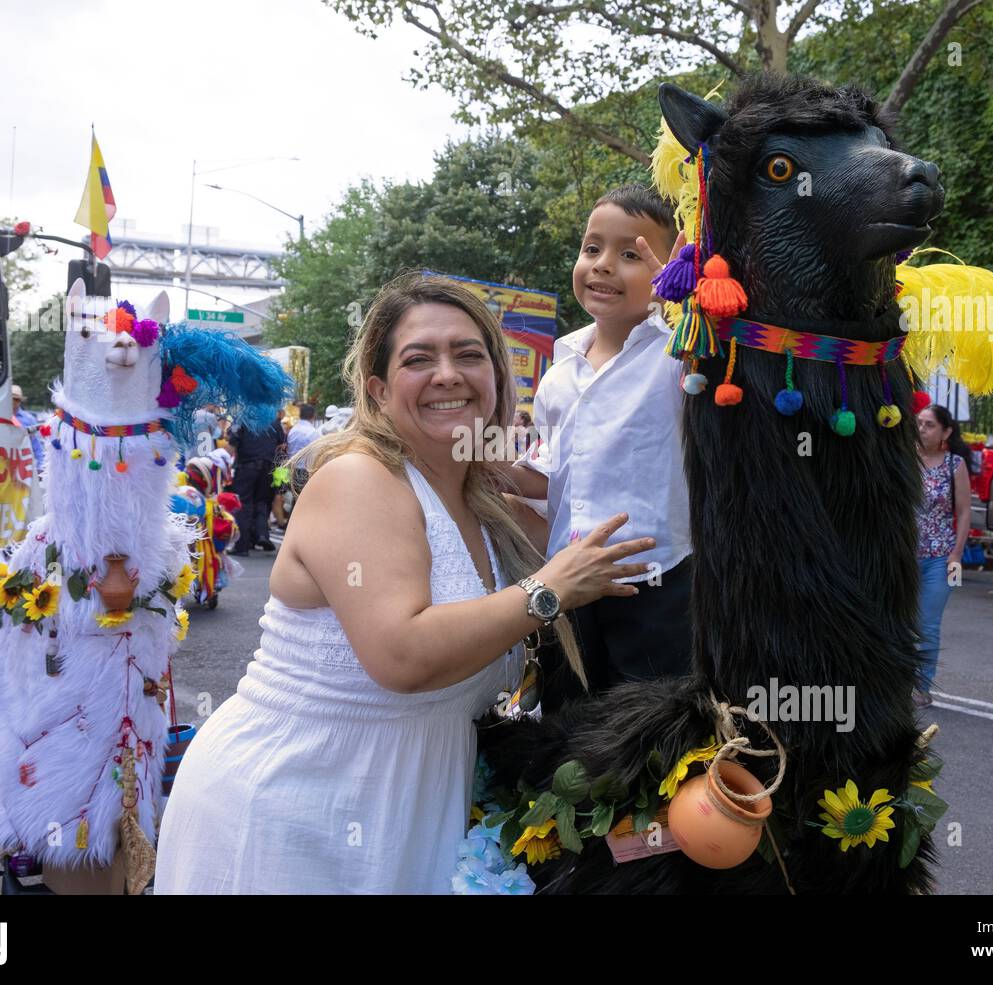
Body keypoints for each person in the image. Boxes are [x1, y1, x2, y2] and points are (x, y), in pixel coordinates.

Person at [154, 274, 650, 893]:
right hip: (296, 812)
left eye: (469, 355)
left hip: (413, 815)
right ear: (379, 389)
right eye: (419, 359)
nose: (448, 374)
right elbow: (402, 654)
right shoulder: (359, 479)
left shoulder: (488, 501)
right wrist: (548, 590)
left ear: (497, 376)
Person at [505, 185, 693, 703]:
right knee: (567, 713)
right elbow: (547, 478)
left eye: (631, 254)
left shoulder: (681, 356)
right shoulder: (558, 373)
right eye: (592, 248)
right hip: (567, 582)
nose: (604, 265)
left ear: (669, 265)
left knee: (651, 721)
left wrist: (688, 298)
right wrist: (480, 464)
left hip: (658, 581)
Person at [913, 404, 972, 707]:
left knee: (927, 624)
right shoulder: (905, 459)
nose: (922, 429)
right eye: (919, 423)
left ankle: (921, 687)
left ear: (946, 432)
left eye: (929, 425)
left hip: (941, 556)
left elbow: (963, 512)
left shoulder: (954, 464)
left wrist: (956, 554)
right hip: (903, 555)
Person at [228, 417, 286, 555]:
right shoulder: (274, 420)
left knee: (244, 504)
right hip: (268, 466)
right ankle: (260, 535)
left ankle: (242, 545)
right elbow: (282, 445)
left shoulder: (243, 418)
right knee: (262, 501)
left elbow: (232, 442)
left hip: (247, 466)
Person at [10, 384, 44, 472]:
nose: (13, 401)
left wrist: (41, 465)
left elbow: (36, 443)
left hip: (23, 461)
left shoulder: (29, 419)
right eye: (11, 398)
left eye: (16, 399)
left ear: (20, 401)